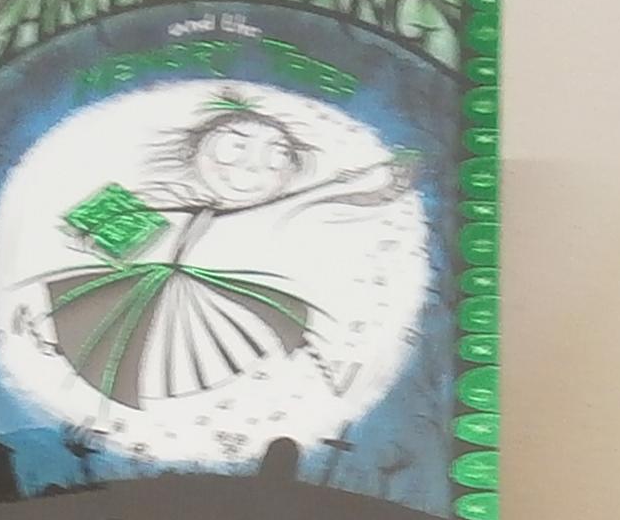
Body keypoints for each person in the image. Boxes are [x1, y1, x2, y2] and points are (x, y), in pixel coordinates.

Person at [37, 91, 407, 412]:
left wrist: (362, 184)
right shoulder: (173, 199)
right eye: (234, 147)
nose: (252, 166)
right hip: (159, 286)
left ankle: (327, 375)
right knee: (120, 334)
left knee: (284, 316)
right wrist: (99, 232)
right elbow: (86, 230)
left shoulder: (260, 213)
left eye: (277, 156)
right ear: (196, 150)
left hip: (206, 289)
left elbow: (328, 195)